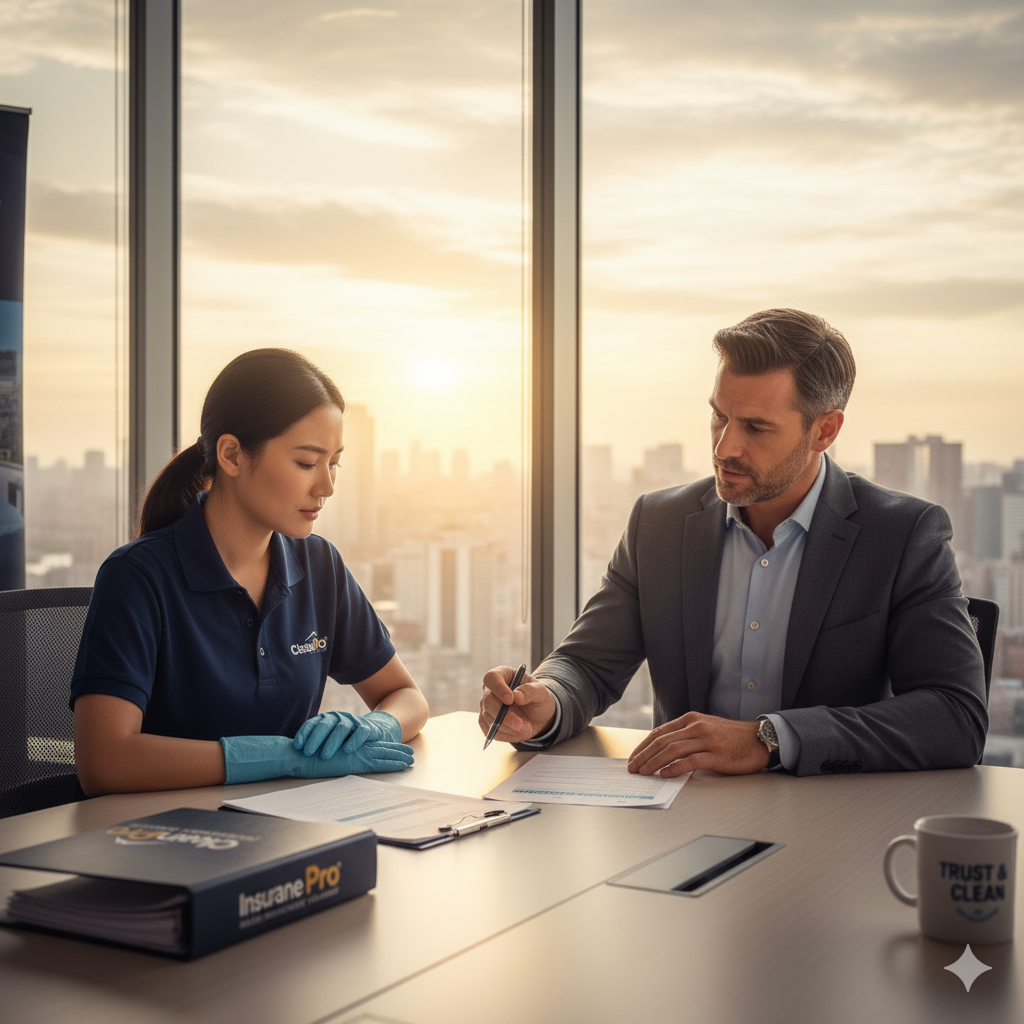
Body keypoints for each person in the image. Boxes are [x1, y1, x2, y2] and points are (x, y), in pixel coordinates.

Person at [479, 308, 988, 776]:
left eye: (756, 427)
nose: (725, 447)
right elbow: (587, 664)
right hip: (681, 812)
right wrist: (545, 700)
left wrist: (769, 739)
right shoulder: (658, 523)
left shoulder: (901, 535)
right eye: (720, 416)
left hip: (830, 823)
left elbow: (955, 715)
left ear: (824, 430)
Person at [72, 349, 428, 795]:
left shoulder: (319, 566)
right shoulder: (137, 578)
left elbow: (408, 697)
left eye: (333, 463)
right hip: (167, 839)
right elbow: (105, 761)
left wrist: (374, 726)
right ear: (232, 455)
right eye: (306, 463)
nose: (327, 487)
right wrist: (282, 757)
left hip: (288, 826)